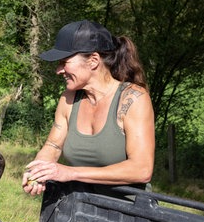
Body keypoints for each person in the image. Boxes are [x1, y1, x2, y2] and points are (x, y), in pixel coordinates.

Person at [22, 20, 155, 196]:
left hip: (129, 213)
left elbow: (142, 169)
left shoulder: (133, 98)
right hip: (79, 207)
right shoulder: (68, 98)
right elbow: (53, 146)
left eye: (64, 62)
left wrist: (70, 173)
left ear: (93, 60)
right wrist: (38, 172)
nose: (58, 70)